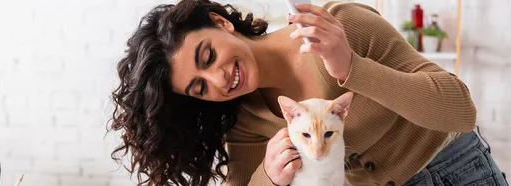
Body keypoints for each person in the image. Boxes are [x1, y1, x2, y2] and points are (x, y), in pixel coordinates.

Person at [109, 0, 509, 185]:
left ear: (221, 23)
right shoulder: (244, 116)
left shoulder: (340, 27)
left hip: (458, 171)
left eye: (208, 55)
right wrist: (269, 174)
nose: (218, 80)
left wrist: (352, 68)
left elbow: (460, 111)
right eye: (199, 87)